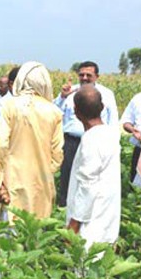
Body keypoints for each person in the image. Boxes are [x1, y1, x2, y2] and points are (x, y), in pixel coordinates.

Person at [0, 61, 64, 221]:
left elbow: (1, 145)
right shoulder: (55, 112)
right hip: (41, 183)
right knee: (36, 232)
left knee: (11, 230)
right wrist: (43, 171)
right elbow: (57, 155)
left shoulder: (10, 106)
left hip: (12, 180)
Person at [54, 61, 119, 207]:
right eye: (81, 74)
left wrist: (113, 145)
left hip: (97, 142)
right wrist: (62, 97)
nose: (84, 78)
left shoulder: (107, 94)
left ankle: (88, 212)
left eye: (88, 75)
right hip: (71, 142)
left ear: (97, 76)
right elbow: (53, 113)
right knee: (68, 180)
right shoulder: (70, 92)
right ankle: (64, 210)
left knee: (92, 181)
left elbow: (114, 122)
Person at [65, 85, 121, 250]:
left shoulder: (91, 140)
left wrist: (74, 224)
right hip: (106, 215)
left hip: (90, 222)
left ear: (76, 112)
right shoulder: (110, 134)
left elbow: (87, 185)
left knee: (84, 266)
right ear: (102, 108)